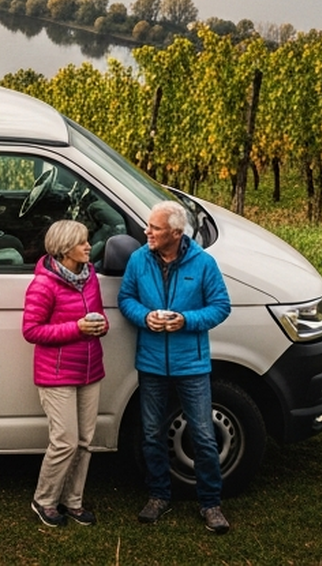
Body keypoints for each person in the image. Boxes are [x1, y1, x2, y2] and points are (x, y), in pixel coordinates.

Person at [117, 200, 234, 535]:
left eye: (154, 228)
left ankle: (211, 503)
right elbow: (127, 299)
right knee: (151, 433)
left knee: (202, 434)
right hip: (151, 362)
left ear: (176, 233)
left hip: (191, 363)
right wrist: (144, 317)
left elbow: (220, 307)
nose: (146, 232)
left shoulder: (204, 263)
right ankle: (158, 496)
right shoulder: (139, 259)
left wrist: (185, 320)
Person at [21, 219, 108, 527]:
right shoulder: (43, 284)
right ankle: (44, 500)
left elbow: (99, 314)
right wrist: (77, 328)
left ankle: (73, 501)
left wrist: (101, 326)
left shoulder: (90, 276)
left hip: (90, 368)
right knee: (66, 441)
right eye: (83, 242)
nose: (89, 246)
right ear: (64, 248)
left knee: (85, 441)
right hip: (57, 373)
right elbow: (31, 331)